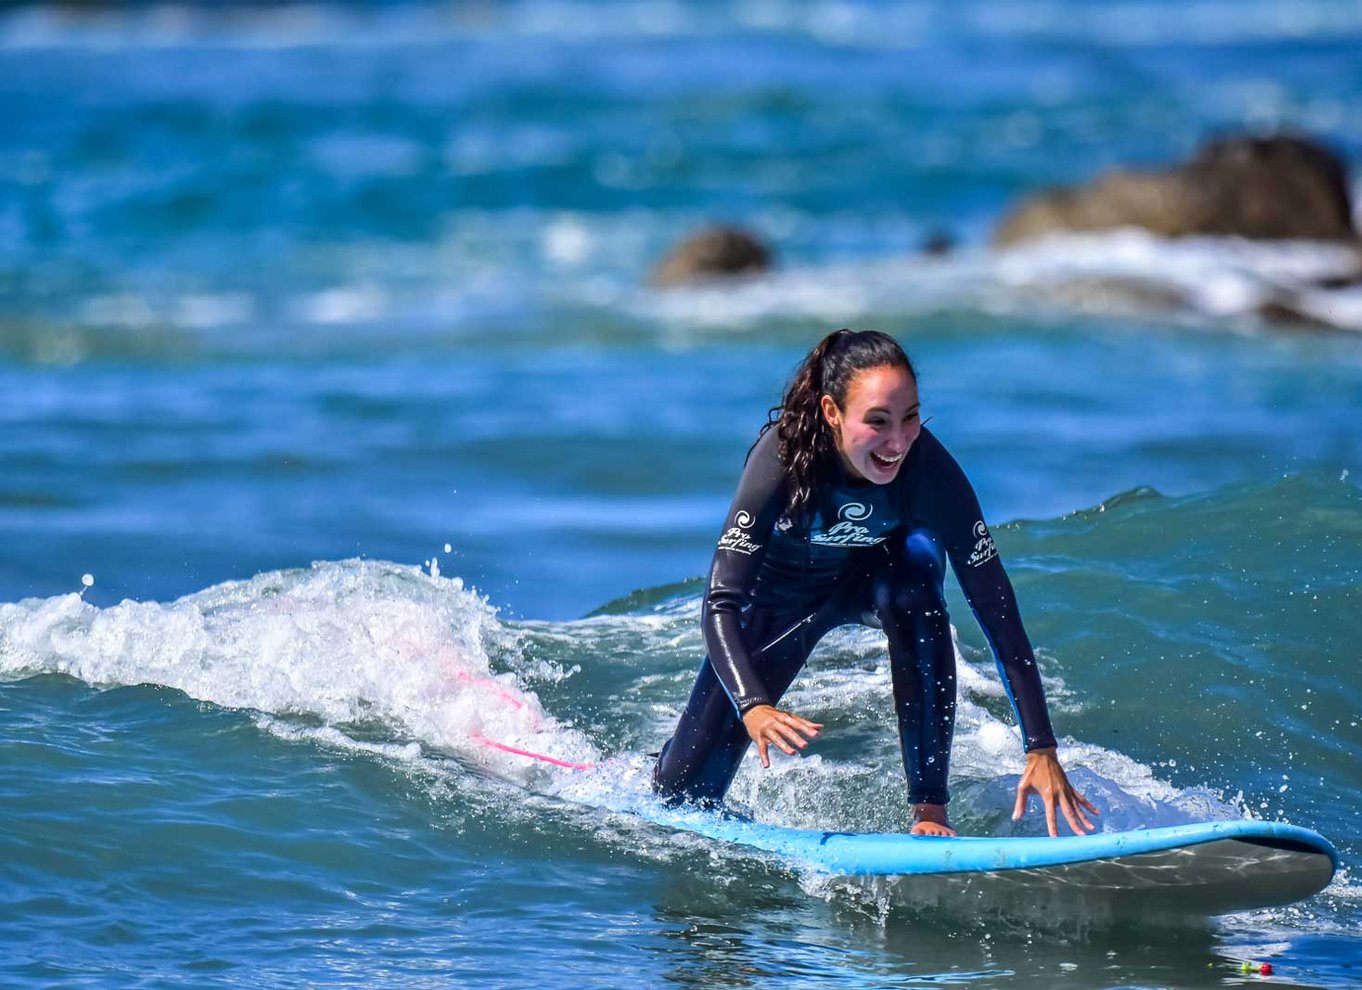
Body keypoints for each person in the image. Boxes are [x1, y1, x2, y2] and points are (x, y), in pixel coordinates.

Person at [652, 329, 1098, 837]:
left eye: (910, 418)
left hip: (881, 576)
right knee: (681, 798)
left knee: (915, 590)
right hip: (786, 597)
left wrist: (1040, 746)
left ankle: (930, 811)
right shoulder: (783, 460)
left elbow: (995, 606)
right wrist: (753, 705)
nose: (899, 442)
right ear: (831, 412)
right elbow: (721, 603)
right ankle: (663, 760)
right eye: (878, 422)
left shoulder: (931, 473)